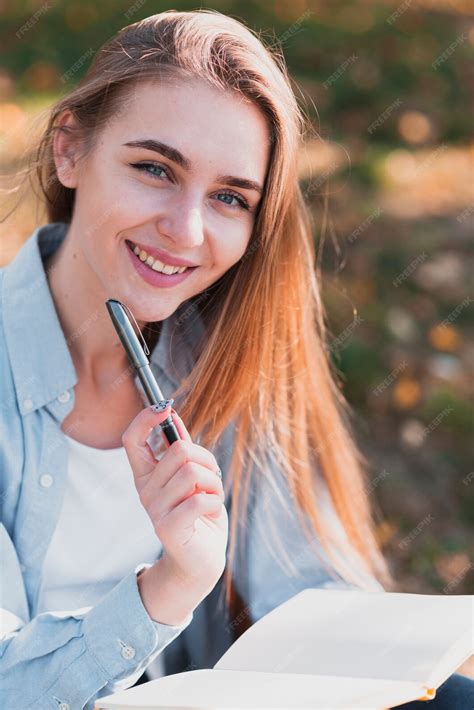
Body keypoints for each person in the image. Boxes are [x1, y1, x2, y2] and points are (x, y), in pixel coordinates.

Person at [0, 9, 471, 710]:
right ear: (69, 150)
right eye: (154, 169)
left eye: (228, 197)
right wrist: (171, 585)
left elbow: (308, 591)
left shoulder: (224, 349)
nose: (186, 231)